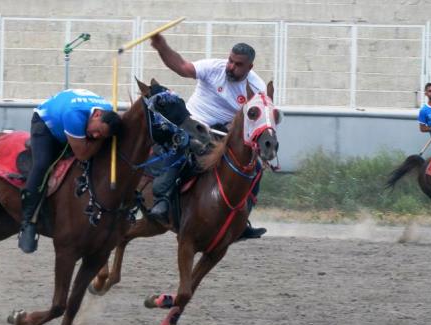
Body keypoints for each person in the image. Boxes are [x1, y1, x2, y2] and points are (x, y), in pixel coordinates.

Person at [149, 34, 267, 239]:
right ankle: (162, 201)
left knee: (254, 168)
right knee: (183, 147)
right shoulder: (214, 67)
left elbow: (253, 119)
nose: (230, 66)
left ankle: (242, 219)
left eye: (238, 64)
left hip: (222, 135)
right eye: (230, 60)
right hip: (191, 123)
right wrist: (162, 47)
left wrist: (231, 129)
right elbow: (182, 67)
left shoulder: (257, 88)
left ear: (250, 67)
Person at [18, 89, 124, 253]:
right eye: (98, 132)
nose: (96, 135)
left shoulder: (106, 111)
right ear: (97, 115)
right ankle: (27, 222)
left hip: (72, 122)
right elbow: (83, 154)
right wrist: (102, 140)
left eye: (100, 135)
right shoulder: (74, 116)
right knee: (42, 164)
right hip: (45, 124)